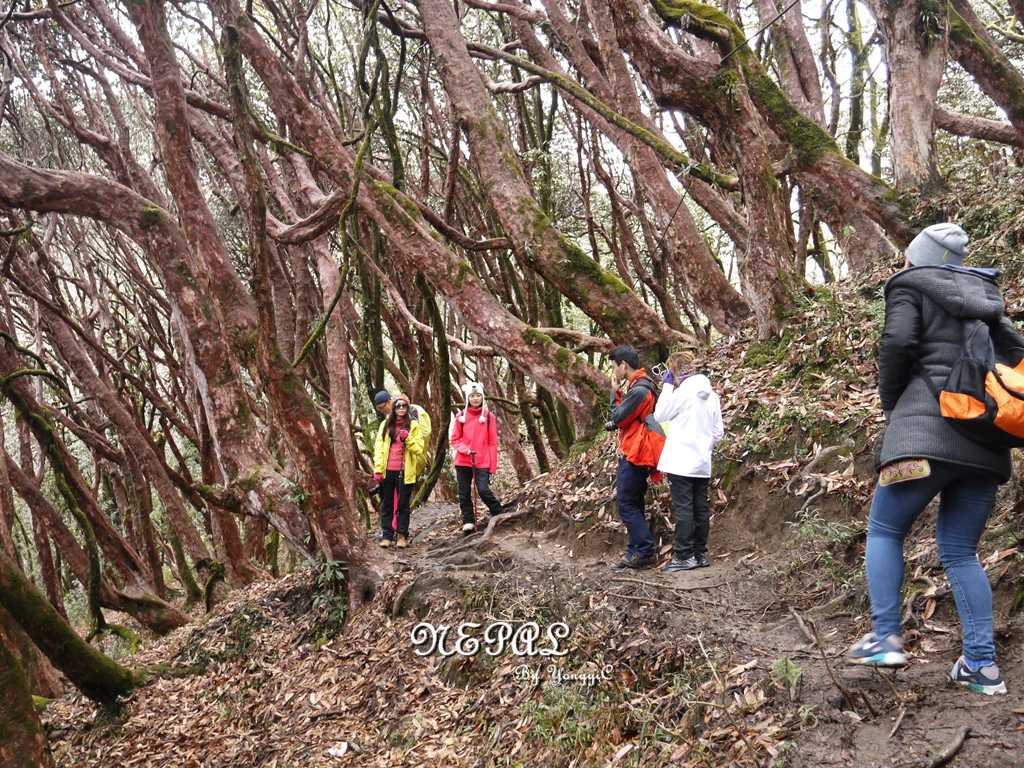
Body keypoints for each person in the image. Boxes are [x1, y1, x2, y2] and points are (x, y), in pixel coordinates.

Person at [846, 223, 1012, 695]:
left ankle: (885, 638)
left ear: (918, 258)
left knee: (884, 530)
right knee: (962, 551)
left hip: (923, 435)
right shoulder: (989, 295)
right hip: (985, 440)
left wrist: (892, 403)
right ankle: (982, 665)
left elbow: (898, 344)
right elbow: (1016, 356)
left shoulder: (908, 284)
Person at [653, 350, 724, 573]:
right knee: (700, 507)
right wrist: (703, 446)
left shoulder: (681, 394)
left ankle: (684, 556)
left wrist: (666, 387)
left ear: (673, 373)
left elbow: (660, 414)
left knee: (684, 509)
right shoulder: (712, 396)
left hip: (680, 461)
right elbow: (718, 432)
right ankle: (699, 553)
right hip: (701, 461)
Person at [606, 344, 665, 569]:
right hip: (638, 449)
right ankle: (635, 551)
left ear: (624, 365)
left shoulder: (639, 389)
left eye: (614, 367)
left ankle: (645, 551)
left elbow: (620, 417)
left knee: (626, 503)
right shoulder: (644, 385)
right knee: (634, 502)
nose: (614, 373)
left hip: (637, 452)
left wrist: (615, 392)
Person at [372, 393, 428, 548]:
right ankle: (387, 536)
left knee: (403, 504)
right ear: (393, 407)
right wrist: (378, 469)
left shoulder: (414, 426)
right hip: (388, 470)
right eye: (398, 405)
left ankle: (402, 536)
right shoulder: (385, 425)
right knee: (387, 503)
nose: (401, 408)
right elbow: (379, 448)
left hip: (406, 471)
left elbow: (418, 449)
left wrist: (408, 438)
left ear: (407, 407)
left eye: (404, 406)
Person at [450, 382, 504, 534]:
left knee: (483, 489)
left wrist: (492, 466)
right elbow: (455, 439)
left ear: (482, 397)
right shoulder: (461, 416)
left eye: (478, 395)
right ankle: (468, 521)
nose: (475, 399)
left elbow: (492, 443)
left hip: (482, 459)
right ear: (468, 398)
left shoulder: (488, 417)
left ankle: (499, 512)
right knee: (464, 492)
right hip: (463, 460)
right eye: (472, 396)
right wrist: (465, 450)